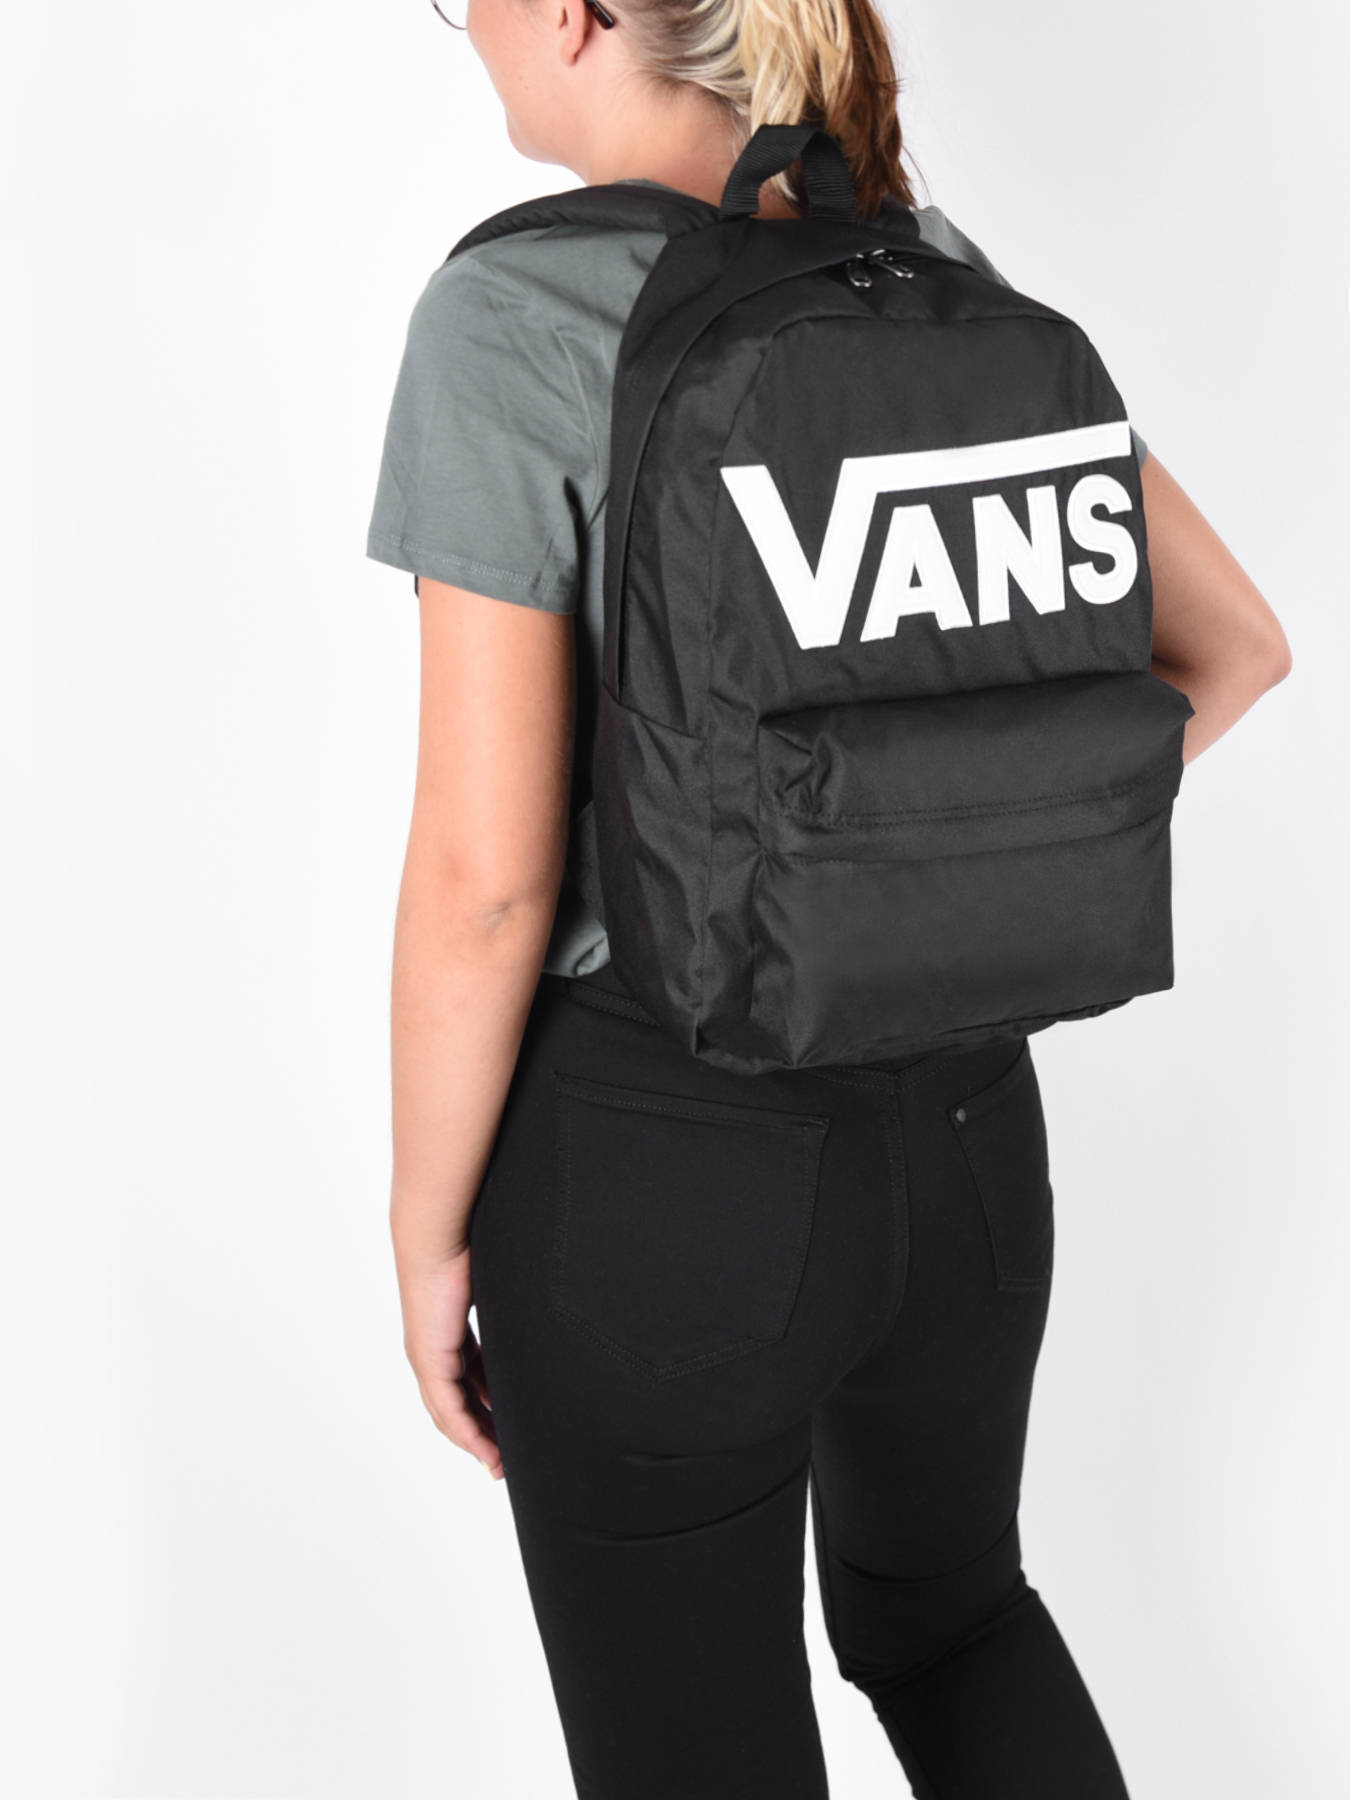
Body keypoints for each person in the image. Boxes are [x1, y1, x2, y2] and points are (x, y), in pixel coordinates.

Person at [365, 2, 1293, 1793]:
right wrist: (940, 852)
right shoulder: (923, 263)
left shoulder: (514, 312)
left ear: (573, 14)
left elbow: (486, 886)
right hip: (965, 1146)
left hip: (660, 1173)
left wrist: (424, 1239)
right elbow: (1232, 648)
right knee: (952, 1626)